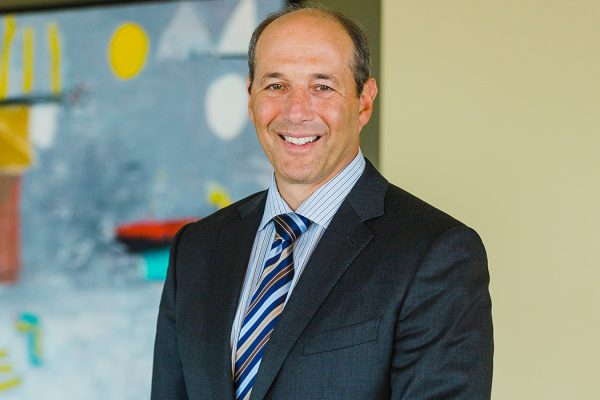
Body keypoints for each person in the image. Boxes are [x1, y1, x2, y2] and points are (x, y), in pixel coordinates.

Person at [151, 5, 493, 400]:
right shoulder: (197, 248)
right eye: (276, 85)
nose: (296, 111)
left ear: (363, 102)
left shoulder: (436, 252)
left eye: (322, 86)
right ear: (250, 97)